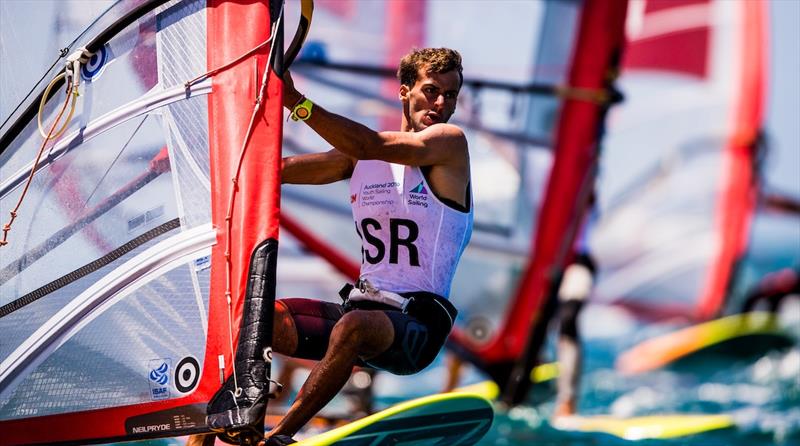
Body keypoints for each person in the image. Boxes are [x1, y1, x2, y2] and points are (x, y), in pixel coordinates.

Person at [190, 47, 472, 446]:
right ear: (405, 92)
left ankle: (281, 436)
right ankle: (218, 434)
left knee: (354, 327)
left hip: (417, 328)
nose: (441, 103)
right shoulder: (356, 160)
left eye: (451, 95)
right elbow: (272, 173)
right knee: (256, 322)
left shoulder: (448, 143)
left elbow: (369, 142)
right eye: (431, 91)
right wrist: (209, 165)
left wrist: (296, 102)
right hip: (358, 312)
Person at [552, 201, 597, 419]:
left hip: (577, 260)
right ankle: (451, 385)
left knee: (569, 318)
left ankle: (567, 401)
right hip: (540, 259)